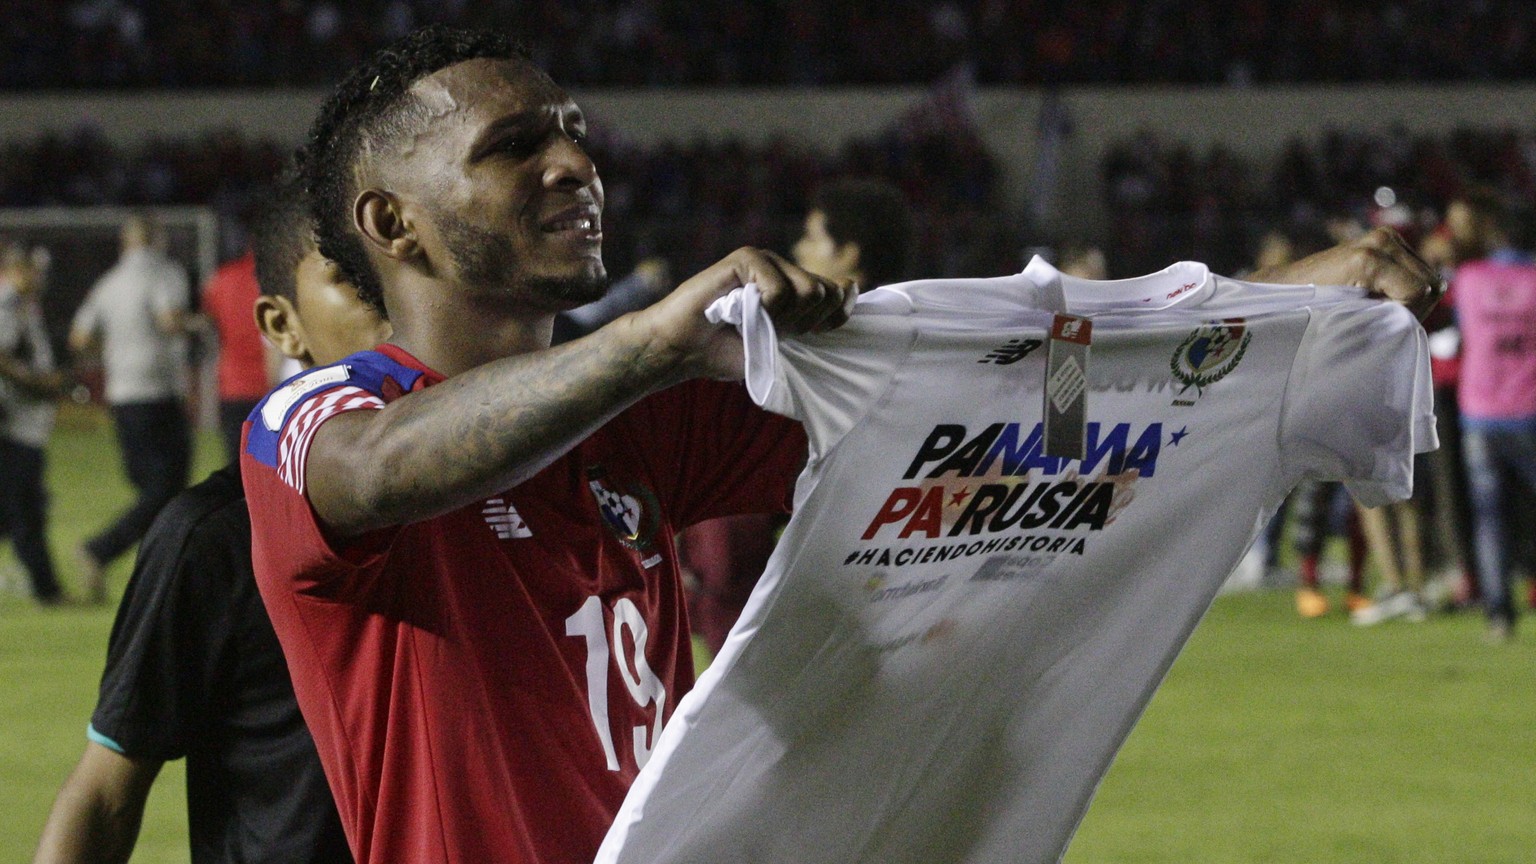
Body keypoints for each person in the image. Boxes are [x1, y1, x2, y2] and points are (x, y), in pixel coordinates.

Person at [242, 25, 1440, 864]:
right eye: (513, 147)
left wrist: (1274, 300)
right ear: (392, 222)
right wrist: (652, 341)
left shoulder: (644, 422)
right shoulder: (316, 419)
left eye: (572, 133)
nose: (573, 162)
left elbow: (1013, 400)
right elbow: (384, 474)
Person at [33, 173, 388, 864]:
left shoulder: (510, 507)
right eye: (357, 281)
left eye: (412, 273)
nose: (397, 307)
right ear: (283, 325)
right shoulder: (217, 536)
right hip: (189, 407)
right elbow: (106, 791)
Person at [686, 177, 914, 653]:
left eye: (813, 237)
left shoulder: (793, 358)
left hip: (781, 637)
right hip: (902, 609)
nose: (797, 248)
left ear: (848, 252)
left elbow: (729, 547)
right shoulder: (920, 349)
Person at [69, 213, 194, 603]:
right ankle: (100, 550)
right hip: (158, 393)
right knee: (167, 493)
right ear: (157, 240)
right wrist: (203, 326)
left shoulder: (107, 284)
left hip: (122, 396)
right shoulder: (164, 272)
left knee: (154, 492)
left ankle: (160, 575)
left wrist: (116, 354)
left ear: (125, 243)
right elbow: (170, 320)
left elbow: (79, 338)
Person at [1446, 188, 1536, 641]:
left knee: (1489, 517)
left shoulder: (1470, 279)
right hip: (1529, 410)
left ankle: (1500, 616)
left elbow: (1461, 332)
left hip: (1479, 413)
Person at [0, 243, 68, 605]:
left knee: (18, 510)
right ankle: (48, 590)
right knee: (27, 510)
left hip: (22, 426)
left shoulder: (24, 306)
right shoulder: (7, 303)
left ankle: (45, 587)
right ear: (15, 268)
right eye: (33, 269)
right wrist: (38, 382)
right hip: (12, 427)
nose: (39, 277)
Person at [201, 245, 272, 464]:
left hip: (232, 384)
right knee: (270, 466)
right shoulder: (274, 279)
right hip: (269, 383)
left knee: (236, 465)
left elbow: (209, 323)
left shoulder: (221, 279)